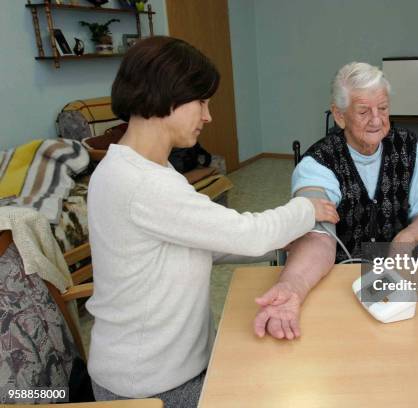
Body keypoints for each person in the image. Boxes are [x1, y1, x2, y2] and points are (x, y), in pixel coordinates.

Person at [85, 36, 338, 408]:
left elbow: (193, 241)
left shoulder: (137, 166)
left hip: (163, 367)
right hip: (149, 386)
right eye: (201, 102)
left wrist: (278, 242)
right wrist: (307, 209)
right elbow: (246, 233)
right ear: (166, 94)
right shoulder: (142, 183)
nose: (208, 116)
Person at [253, 62, 418, 340]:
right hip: (342, 280)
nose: (377, 120)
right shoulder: (319, 162)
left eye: (383, 108)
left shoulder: (405, 145)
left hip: (400, 275)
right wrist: (293, 285)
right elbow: (317, 235)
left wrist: (406, 238)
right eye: (363, 111)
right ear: (339, 115)